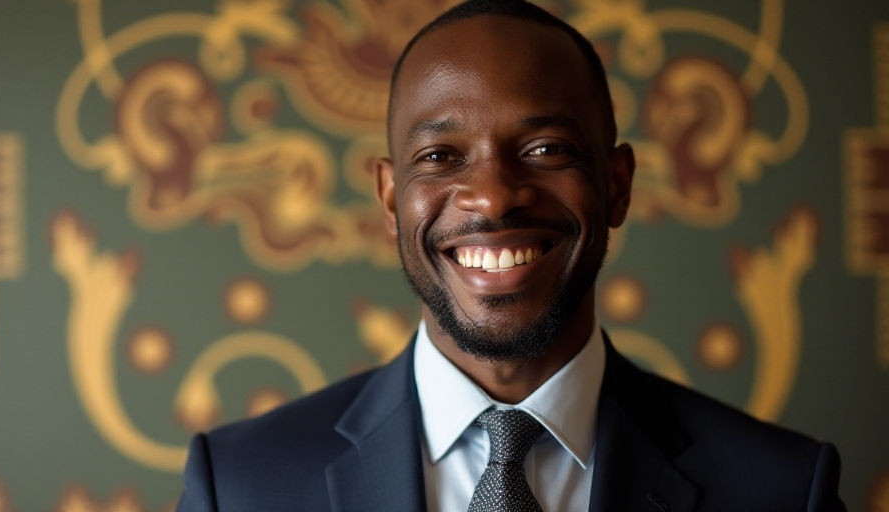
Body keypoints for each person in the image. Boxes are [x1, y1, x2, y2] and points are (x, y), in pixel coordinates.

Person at [177, 0, 845, 510]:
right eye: (440, 157)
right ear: (389, 199)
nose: (493, 199)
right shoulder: (239, 485)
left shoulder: (783, 490)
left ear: (615, 186)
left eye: (546, 150)